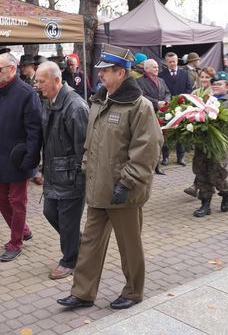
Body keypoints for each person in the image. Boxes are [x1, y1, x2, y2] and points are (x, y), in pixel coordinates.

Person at [57, 44, 162, 311]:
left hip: (123, 190)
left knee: (129, 246)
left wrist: (127, 182)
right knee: (90, 243)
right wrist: (85, 169)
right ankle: (83, 292)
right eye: (101, 70)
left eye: (105, 70)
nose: (100, 75)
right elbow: (91, 144)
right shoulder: (99, 101)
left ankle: (133, 291)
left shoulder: (140, 106)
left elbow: (147, 149)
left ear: (121, 72)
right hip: (98, 187)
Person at [34, 61, 89, 280]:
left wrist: (79, 177)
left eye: (41, 81)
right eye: (36, 80)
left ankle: (69, 261)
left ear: (57, 80)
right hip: (54, 174)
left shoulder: (76, 106)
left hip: (71, 177)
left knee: (68, 222)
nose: (37, 85)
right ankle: (78, 243)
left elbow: (85, 147)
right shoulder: (49, 101)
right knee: (50, 212)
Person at [0, 53, 42, 262]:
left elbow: (35, 130)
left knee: (17, 201)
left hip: (19, 158)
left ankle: (16, 242)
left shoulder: (27, 93)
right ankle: (23, 230)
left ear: (12, 69)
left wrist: (31, 159)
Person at [191, 71, 228, 217]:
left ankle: (226, 192)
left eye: (219, 84)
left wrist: (223, 125)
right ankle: (205, 205)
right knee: (201, 174)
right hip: (202, 145)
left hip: (218, 147)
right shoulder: (205, 100)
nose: (215, 86)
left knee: (217, 176)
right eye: (214, 84)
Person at [136, 59, 170, 176]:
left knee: (159, 140)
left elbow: (167, 93)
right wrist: (156, 103)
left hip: (161, 114)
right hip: (149, 114)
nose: (157, 69)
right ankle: (148, 166)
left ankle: (157, 165)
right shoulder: (139, 81)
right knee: (149, 141)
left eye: (157, 67)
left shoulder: (161, 80)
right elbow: (141, 95)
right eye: (154, 67)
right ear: (147, 68)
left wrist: (165, 102)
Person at [158, 52, 191, 166]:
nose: (172, 64)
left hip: (182, 107)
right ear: (166, 62)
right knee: (167, 132)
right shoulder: (161, 75)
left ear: (177, 61)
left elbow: (189, 89)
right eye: (170, 62)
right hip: (167, 108)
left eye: (174, 61)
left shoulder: (185, 73)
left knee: (181, 133)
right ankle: (165, 157)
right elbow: (161, 91)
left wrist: (185, 102)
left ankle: (180, 157)